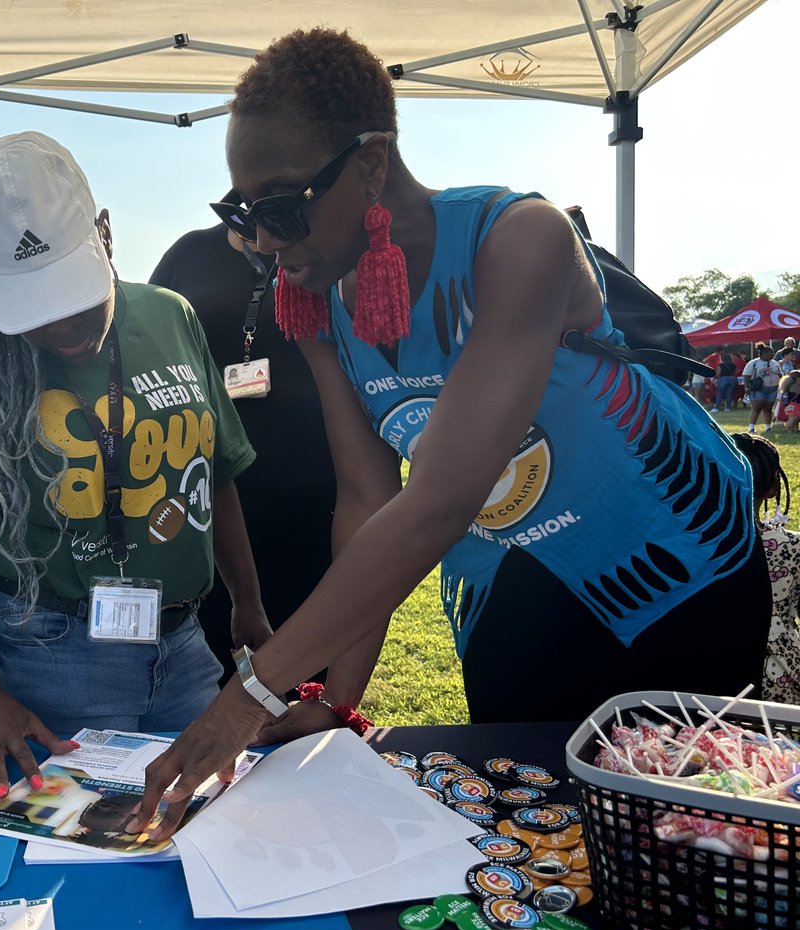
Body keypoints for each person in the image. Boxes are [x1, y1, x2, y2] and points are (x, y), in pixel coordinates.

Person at [131, 28, 768, 839]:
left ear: (370, 163)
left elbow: (437, 500)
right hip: (512, 576)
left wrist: (248, 695)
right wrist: (334, 701)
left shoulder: (520, 237)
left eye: (282, 207)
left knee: (689, 832)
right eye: (242, 212)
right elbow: (367, 502)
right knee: (537, 833)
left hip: (675, 556)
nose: (262, 238)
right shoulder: (321, 298)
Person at [0, 132, 269, 795]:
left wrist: (248, 606)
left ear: (105, 235)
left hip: (183, 643)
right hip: (47, 655)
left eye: (76, 295)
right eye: (35, 308)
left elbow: (214, 473)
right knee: (85, 848)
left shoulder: (170, 317)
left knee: (212, 822)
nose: (63, 329)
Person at [149, 224, 337, 685]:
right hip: (205, 495)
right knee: (210, 661)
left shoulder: (325, 249)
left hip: (313, 497)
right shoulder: (190, 253)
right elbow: (144, 345)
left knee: (306, 670)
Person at [733, 433, 799, 704]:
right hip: (780, 679)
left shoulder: (683, 547)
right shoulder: (793, 547)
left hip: (700, 680)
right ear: (773, 487)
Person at [742, 342, 782, 433]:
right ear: (764, 354)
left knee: (768, 408)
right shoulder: (754, 363)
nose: (772, 354)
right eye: (770, 353)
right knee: (756, 407)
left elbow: (780, 374)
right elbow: (746, 375)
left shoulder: (774, 363)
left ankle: (768, 427)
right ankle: (751, 427)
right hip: (759, 388)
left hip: (772, 388)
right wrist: (746, 388)